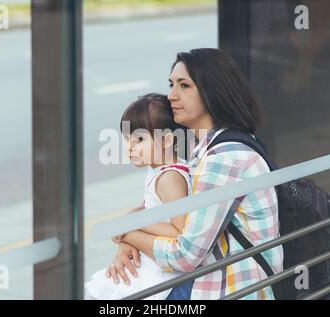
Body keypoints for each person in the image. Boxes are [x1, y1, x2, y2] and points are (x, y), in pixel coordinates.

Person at [106, 48, 284, 300]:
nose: (171, 96)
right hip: (216, 279)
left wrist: (130, 233)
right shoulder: (211, 149)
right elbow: (166, 213)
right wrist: (128, 238)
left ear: (212, 91)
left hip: (232, 289)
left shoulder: (223, 160)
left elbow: (185, 255)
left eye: (184, 86)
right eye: (171, 84)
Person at [85, 93, 192, 300]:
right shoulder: (158, 170)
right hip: (151, 257)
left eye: (139, 139)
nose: (130, 147)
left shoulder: (170, 178)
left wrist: (134, 224)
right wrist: (126, 220)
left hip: (160, 270)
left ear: (167, 140)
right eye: (127, 139)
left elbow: (179, 230)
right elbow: (150, 206)